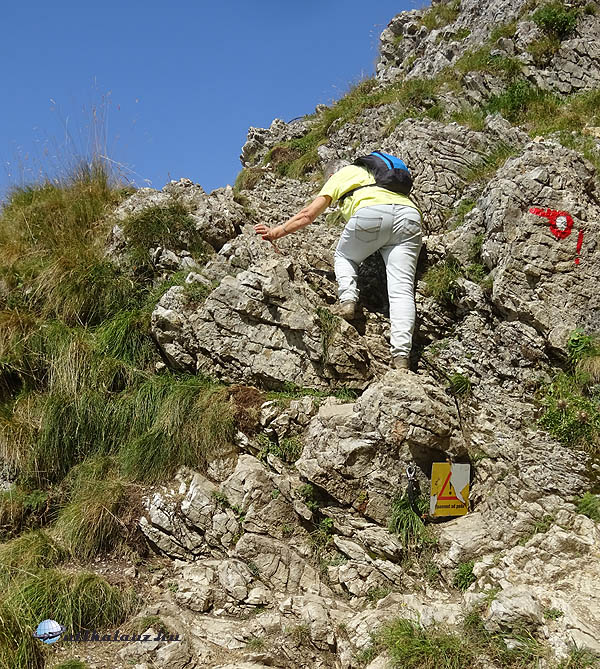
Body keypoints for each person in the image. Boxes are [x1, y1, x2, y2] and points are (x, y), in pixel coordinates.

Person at [254, 158, 422, 370]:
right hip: (410, 217)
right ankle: (401, 358)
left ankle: (348, 302)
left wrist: (276, 232)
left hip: (372, 214)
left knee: (345, 256)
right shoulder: (378, 176)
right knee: (402, 291)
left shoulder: (342, 175)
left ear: (331, 176)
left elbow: (307, 215)